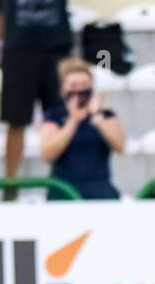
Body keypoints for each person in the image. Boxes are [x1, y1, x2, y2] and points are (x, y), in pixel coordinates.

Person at [0, 0, 84, 199]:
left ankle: (65, 182)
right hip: (19, 50)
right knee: (16, 121)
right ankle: (11, 188)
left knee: (61, 116)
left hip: (56, 50)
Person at [40, 57, 123, 201]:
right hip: (64, 189)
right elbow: (48, 154)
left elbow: (119, 146)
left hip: (100, 188)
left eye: (84, 84)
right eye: (73, 85)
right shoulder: (54, 116)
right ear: (62, 88)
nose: (79, 90)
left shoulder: (106, 115)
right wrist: (73, 121)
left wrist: (97, 115)